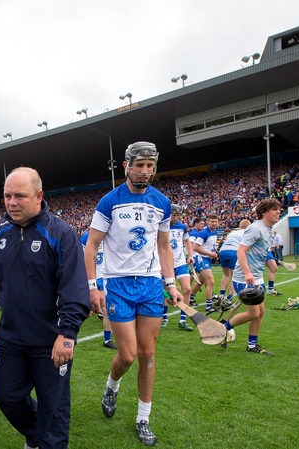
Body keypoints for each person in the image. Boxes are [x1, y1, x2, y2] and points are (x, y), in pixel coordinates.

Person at [0, 167, 90, 449]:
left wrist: (66, 334)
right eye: (7, 196)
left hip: (50, 340)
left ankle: (47, 439)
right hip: (12, 337)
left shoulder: (61, 233)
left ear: (39, 196)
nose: (11, 202)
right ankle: (38, 435)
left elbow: (74, 288)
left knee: (53, 409)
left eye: (19, 196)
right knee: (7, 396)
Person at [84, 142, 182, 446]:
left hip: (151, 285)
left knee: (147, 354)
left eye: (150, 166)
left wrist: (171, 282)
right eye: (139, 165)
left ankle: (143, 417)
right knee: (126, 355)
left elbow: (164, 247)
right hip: (120, 286)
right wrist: (92, 286)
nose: (145, 171)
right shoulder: (109, 201)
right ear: (127, 165)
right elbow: (92, 246)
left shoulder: (162, 202)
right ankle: (112, 386)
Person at [222, 198, 282, 355]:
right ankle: (224, 328)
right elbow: (241, 251)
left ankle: (251, 345)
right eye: (274, 209)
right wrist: (247, 273)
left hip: (257, 277)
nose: (278, 212)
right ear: (264, 212)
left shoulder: (268, 230)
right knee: (253, 313)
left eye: (279, 209)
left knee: (260, 312)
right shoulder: (255, 228)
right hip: (244, 277)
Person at [80, 230, 118, 348]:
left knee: (107, 308)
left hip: (103, 278)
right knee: (85, 312)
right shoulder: (86, 238)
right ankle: (68, 333)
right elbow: (81, 259)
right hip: (89, 279)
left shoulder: (109, 237)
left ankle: (107, 340)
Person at [161, 204, 194, 331]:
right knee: (166, 293)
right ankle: (164, 317)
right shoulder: (162, 226)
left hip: (180, 263)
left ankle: (183, 320)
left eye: (178, 215)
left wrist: (190, 256)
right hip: (166, 263)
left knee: (187, 289)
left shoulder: (182, 226)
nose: (176, 218)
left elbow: (187, 241)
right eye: (174, 215)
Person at [193, 214, 220, 313]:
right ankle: (209, 306)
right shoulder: (204, 233)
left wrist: (214, 253)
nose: (214, 223)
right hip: (201, 258)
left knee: (201, 281)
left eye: (215, 221)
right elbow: (195, 247)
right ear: (208, 222)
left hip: (207, 258)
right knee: (210, 281)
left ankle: (191, 298)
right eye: (212, 221)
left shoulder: (215, 232)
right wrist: (210, 253)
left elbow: (210, 245)